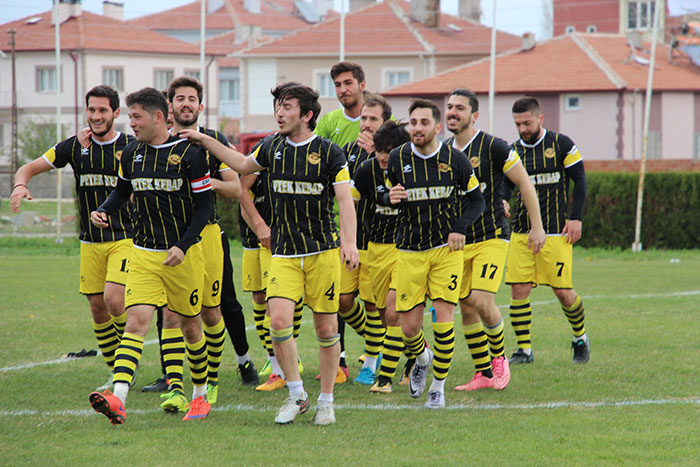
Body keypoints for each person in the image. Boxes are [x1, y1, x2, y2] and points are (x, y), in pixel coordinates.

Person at [180, 83, 359, 426]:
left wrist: (348, 243)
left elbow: (344, 202)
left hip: (322, 253)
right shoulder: (271, 147)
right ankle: (297, 395)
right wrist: (205, 140)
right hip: (284, 255)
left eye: (287, 106)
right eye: (277, 106)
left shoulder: (330, 152)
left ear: (307, 115)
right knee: (278, 323)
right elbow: (241, 164)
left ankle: (326, 401)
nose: (279, 112)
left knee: (325, 329)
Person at [88, 87, 214, 424]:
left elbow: (205, 207)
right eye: (130, 117)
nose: (131, 123)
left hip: (183, 256)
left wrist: (183, 245)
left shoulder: (190, 153)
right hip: (143, 253)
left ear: (158, 117)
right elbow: (122, 191)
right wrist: (103, 209)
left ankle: (200, 395)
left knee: (190, 327)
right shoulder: (131, 153)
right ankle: (119, 398)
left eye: (136, 117)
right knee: (136, 322)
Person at [10, 85, 133, 390]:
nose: (96, 115)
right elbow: (28, 168)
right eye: (91, 109)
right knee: (97, 307)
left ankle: (127, 362)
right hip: (90, 242)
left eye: (103, 110)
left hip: (126, 238)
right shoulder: (75, 146)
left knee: (115, 299)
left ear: (116, 114)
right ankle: (115, 368)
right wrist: (19, 186)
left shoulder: (131, 146)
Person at [441, 89, 545, 392]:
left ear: (474, 116)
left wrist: (536, 227)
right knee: (466, 305)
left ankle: (499, 357)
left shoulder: (494, 146)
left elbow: (524, 182)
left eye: (459, 108)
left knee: (481, 300)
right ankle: (483, 373)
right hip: (458, 242)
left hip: (492, 236)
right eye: (449, 107)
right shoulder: (444, 151)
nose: (452, 112)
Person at [384, 99, 484, 409]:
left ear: (437, 127)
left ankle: (438, 388)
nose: (417, 128)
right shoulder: (398, 158)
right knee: (409, 329)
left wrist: (460, 228)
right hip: (410, 251)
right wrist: (391, 197)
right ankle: (423, 359)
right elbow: (387, 193)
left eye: (424, 123)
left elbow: (476, 201)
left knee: (443, 320)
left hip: (445, 251)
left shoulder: (455, 160)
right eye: (413, 122)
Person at [505, 96, 590, 364]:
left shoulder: (561, 144)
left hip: (555, 233)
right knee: (519, 289)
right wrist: (503, 200)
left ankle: (580, 337)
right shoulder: (513, 150)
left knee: (562, 291)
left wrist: (575, 218)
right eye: (518, 124)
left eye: (527, 123)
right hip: (521, 233)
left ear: (540, 118)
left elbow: (580, 180)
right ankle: (524, 350)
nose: (522, 129)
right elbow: (506, 184)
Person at [351, 120, 412, 393]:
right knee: (385, 317)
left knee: (394, 310)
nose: (382, 156)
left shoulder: (414, 170)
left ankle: (384, 379)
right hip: (375, 248)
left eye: (388, 150)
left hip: (405, 248)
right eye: (378, 150)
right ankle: (417, 357)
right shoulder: (366, 171)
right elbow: (347, 201)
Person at [314, 61, 367, 379]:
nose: (343, 90)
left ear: (362, 84)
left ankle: (384, 349)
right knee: (339, 297)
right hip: (335, 223)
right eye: (337, 85)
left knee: (378, 303)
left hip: (375, 223)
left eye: (348, 83)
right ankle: (342, 361)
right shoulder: (330, 122)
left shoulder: (379, 118)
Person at [337, 94, 393, 386]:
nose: (367, 124)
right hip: (351, 240)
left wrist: (377, 153)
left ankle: (371, 363)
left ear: (386, 123)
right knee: (342, 301)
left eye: (373, 119)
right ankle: (378, 341)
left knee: (374, 305)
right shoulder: (347, 152)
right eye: (364, 119)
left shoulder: (395, 154)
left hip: (380, 242)